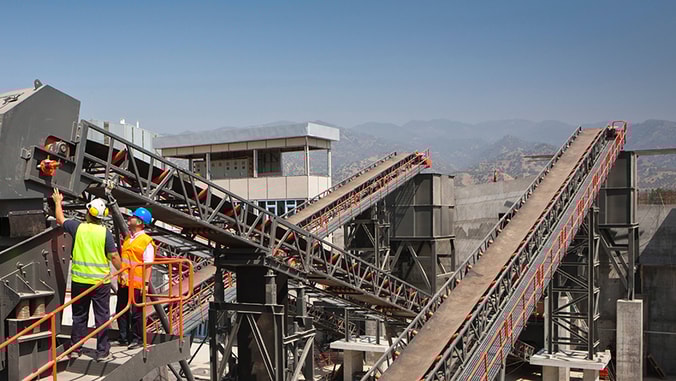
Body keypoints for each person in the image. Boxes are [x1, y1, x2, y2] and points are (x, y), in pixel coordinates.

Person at [52, 188, 122, 361]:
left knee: (79, 316)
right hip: (100, 283)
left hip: (80, 281)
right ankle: (102, 351)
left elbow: (60, 219)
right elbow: (113, 256)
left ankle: (75, 348)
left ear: (88, 213)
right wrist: (122, 272)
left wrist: (57, 201)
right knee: (102, 317)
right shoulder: (105, 233)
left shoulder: (78, 228)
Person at [113, 207, 156, 350]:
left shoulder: (146, 241)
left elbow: (148, 265)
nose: (129, 218)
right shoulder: (128, 238)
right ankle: (123, 338)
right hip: (124, 282)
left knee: (137, 312)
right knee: (121, 309)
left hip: (137, 283)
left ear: (139, 222)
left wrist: (145, 283)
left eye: (133, 216)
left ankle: (138, 339)